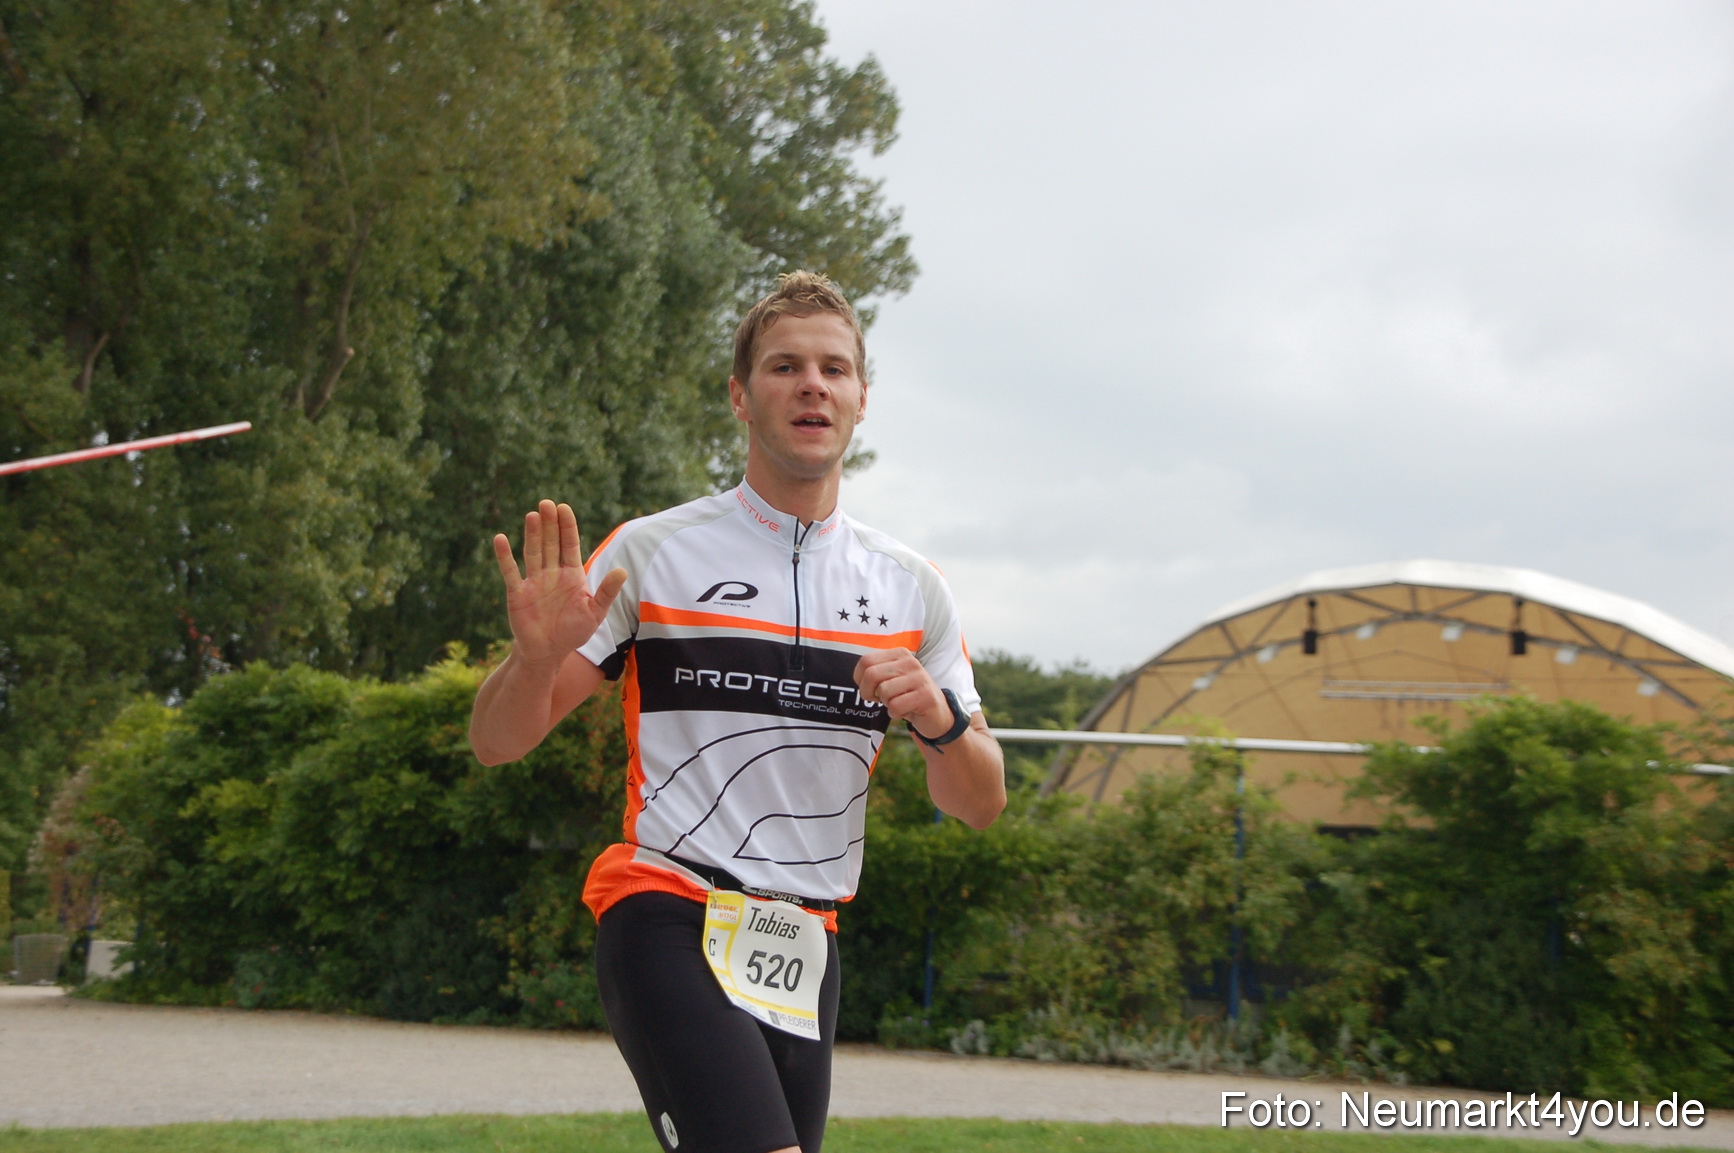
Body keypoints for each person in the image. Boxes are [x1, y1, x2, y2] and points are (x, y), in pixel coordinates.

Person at [468, 271, 1005, 1153]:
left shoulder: (914, 588)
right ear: (740, 395)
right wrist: (530, 660)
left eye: (834, 369)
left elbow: (980, 801)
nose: (812, 384)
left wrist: (942, 723)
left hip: (804, 940)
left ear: (861, 400)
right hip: (667, 907)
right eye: (785, 365)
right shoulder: (655, 552)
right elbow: (496, 741)